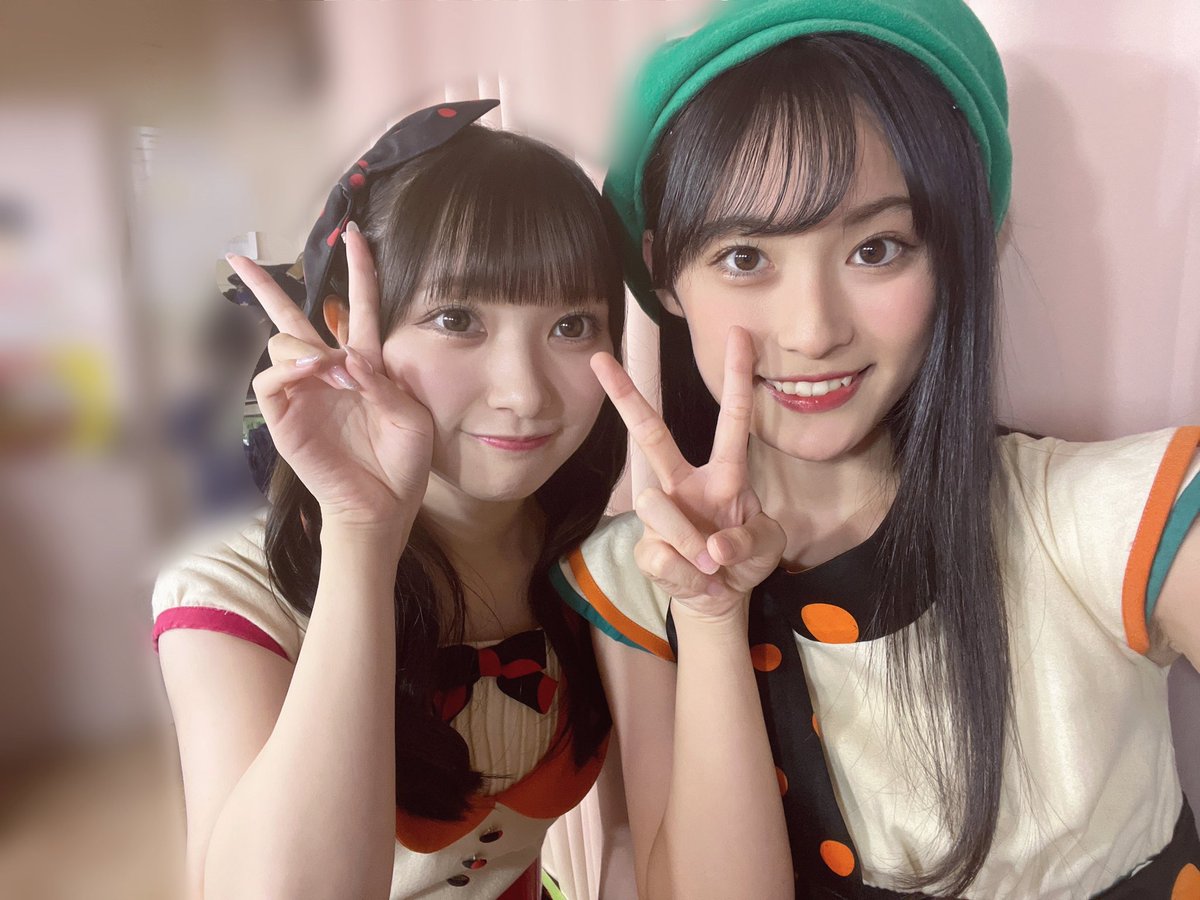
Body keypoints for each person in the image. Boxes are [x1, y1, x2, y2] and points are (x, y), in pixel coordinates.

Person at [552, 2, 1200, 897]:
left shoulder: (1106, 519)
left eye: (877, 248)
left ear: (961, 251)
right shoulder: (640, 582)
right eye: (745, 258)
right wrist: (708, 615)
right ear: (665, 271)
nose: (814, 330)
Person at [152, 100, 628, 900]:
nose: (524, 393)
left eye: (573, 325)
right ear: (348, 329)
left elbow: (635, 839)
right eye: (457, 318)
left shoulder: (608, 571)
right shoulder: (228, 594)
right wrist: (361, 536)